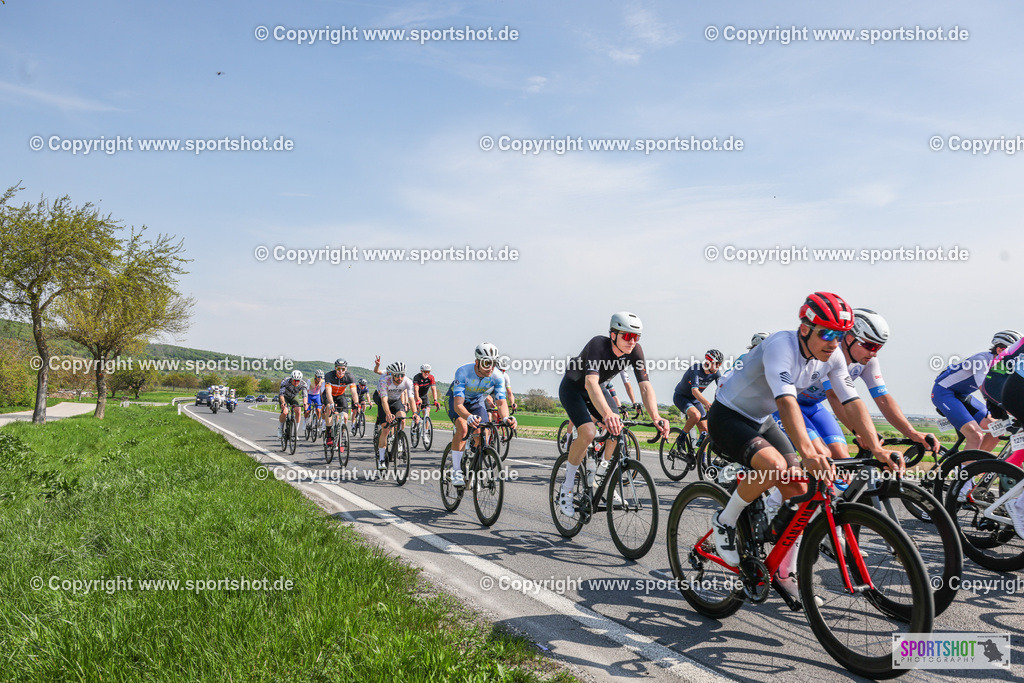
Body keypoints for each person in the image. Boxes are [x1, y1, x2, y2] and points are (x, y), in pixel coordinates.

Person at [708, 292, 901, 607]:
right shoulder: (780, 346)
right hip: (728, 415)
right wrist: (809, 452)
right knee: (775, 466)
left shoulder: (833, 356)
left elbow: (852, 401)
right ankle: (726, 520)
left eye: (839, 336)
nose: (832, 342)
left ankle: (778, 562)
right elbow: (786, 403)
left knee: (799, 488)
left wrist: (877, 447)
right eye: (826, 333)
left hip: (760, 419)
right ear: (805, 329)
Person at [556, 312, 670, 519]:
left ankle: (599, 478)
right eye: (627, 336)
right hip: (573, 388)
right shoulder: (598, 345)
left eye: (636, 337)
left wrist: (656, 416)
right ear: (613, 334)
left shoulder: (635, 351)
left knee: (618, 432)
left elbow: (645, 387)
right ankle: (567, 486)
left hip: (597, 389)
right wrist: (607, 414)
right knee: (589, 432)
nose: (632, 341)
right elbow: (590, 382)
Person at [931, 330, 1022, 452]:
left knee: (999, 430)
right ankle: (966, 469)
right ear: (1000, 350)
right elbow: (986, 392)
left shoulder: (1001, 367)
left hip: (963, 396)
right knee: (975, 436)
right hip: (943, 393)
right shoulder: (981, 360)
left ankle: (977, 464)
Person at [446, 343, 517, 488]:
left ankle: (473, 459)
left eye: (493, 363)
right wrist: (468, 417)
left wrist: (506, 418)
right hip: (456, 401)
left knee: (485, 431)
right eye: (486, 363)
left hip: (476, 402)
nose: (490, 367)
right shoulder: (463, 371)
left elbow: (501, 402)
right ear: (477, 362)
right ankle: (456, 471)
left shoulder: (498, 376)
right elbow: (458, 405)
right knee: (463, 428)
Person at [672, 349, 723, 449]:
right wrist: (707, 403)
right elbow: (694, 391)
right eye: (716, 364)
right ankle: (681, 439)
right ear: (708, 362)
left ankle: (701, 460)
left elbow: (721, 390)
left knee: (705, 431)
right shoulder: (696, 369)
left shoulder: (716, 373)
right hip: (681, 397)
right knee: (696, 415)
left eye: (719, 364)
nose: (718, 367)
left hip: (694, 400)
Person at [375, 361, 417, 471]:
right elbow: (384, 400)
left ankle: (399, 438)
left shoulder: (407, 381)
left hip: (396, 401)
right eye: (397, 375)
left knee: (402, 420)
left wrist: (415, 413)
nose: (399, 378)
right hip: (384, 401)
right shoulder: (384, 380)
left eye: (402, 375)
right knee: (386, 429)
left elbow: (412, 399)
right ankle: (382, 459)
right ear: (391, 374)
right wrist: (388, 414)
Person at [323, 359, 359, 448]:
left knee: (345, 417)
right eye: (338, 369)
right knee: (329, 408)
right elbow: (328, 392)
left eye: (343, 369)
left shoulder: (349, 377)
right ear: (335, 368)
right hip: (329, 396)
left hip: (340, 396)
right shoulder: (329, 375)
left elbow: (354, 392)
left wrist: (356, 402)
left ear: (346, 369)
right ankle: (329, 435)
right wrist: (331, 403)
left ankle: (341, 436)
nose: (340, 371)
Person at [277, 370, 308, 439]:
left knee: (298, 410)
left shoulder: (303, 384)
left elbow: (305, 396)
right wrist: (283, 403)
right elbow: (281, 395)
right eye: (295, 380)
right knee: (285, 412)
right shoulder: (285, 381)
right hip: (285, 396)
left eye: (298, 380)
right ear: (291, 379)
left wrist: (305, 404)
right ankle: (280, 428)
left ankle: (295, 432)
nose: (296, 382)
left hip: (294, 396)